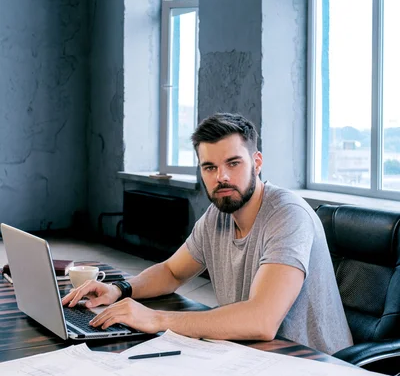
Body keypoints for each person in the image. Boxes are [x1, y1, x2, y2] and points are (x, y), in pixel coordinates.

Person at [62, 113, 353, 354]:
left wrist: (155, 319)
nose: (221, 177)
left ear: (257, 162)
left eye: (233, 163)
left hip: (311, 367)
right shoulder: (219, 214)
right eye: (210, 167)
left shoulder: (288, 215)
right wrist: (119, 289)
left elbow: (262, 319)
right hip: (250, 357)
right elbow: (172, 272)